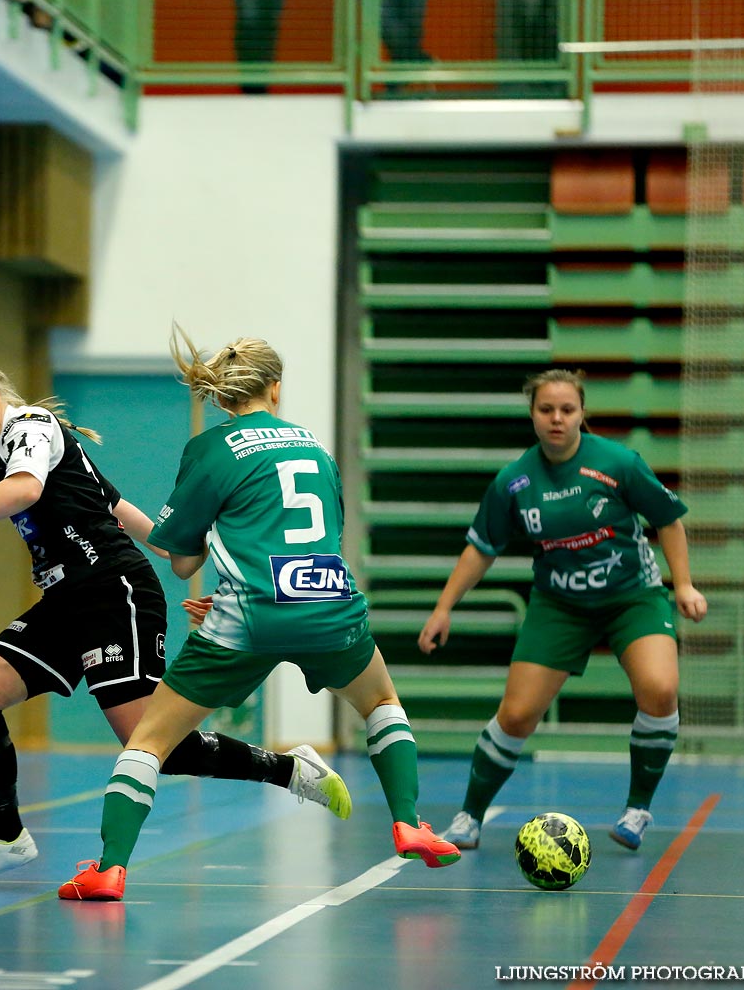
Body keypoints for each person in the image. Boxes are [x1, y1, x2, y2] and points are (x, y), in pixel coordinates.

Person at [58, 330, 460, 902]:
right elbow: (322, 535)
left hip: (249, 618)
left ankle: (109, 869)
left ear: (223, 397)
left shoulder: (212, 448)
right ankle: (409, 822)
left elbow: (182, 560)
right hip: (330, 605)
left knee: (148, 739)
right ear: (276, 388)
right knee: (381, 703)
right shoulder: (313, 445)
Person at [0, 351, 345, 887]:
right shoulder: (21, 445)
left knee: (153, 745)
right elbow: (111, 503)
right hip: (65, 601)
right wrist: (170, 551)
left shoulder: (29, 426)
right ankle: (6, 836)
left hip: (111, 591)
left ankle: (289, 769)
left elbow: (27, 489)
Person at [418, 369, 708, 852]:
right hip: (559, 605)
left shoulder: (618, 463)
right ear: (532, 414)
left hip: (631, 597)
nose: (557, 419)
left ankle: (637, 808)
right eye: (546, 410)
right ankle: (469, 817)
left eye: (567, 410)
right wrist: (443, 608)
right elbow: (481, 548)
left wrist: (683, 585)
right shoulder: (515, 482)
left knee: (660, 689)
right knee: (516, 716)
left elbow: (668, 521)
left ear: (582, 413)